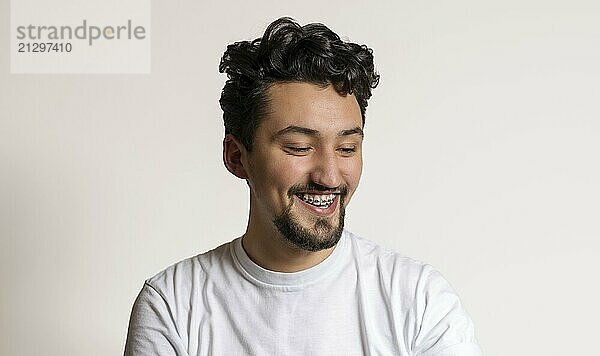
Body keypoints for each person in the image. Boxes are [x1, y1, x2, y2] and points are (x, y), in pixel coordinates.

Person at [124, 17, 482, 356]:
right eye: (300, 147)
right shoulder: (172, 305)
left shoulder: (419, 301)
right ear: (237, 157)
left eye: (347, 148)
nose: (329, 176)